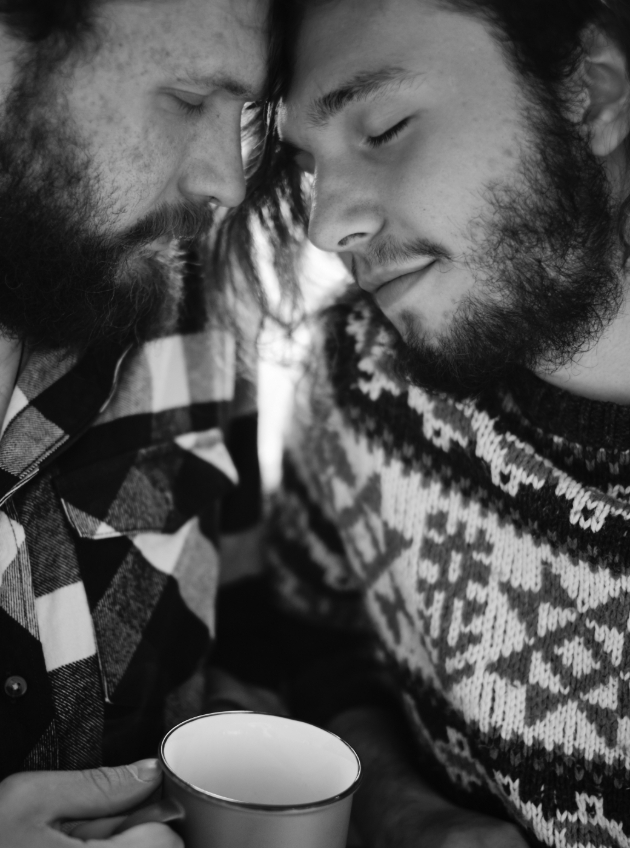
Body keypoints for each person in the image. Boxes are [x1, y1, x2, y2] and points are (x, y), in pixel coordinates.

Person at [241, 0, 630, 846]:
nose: (326, 226)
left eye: (383, 129)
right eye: (310, 166)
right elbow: (304, 646)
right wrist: (397, 809)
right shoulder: (359, 370)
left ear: (591, 94)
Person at [0, 0, 278, 844]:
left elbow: (252, 618)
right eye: (191, 99)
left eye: (248, 114)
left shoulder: (180, 295)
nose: (227, 181)